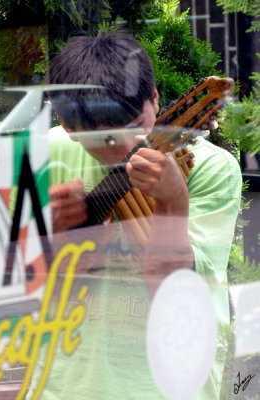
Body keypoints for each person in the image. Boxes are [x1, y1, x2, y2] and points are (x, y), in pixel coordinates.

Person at [27, 33, 242, 400]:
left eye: (133, 125)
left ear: (155, 100)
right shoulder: (46, 155)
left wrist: (173, 204)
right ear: (68, 126)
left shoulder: (213, 169)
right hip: (63, 387)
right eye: (105, 136)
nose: (128, 147)